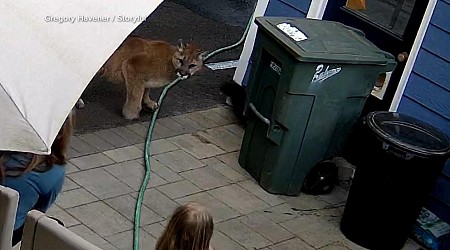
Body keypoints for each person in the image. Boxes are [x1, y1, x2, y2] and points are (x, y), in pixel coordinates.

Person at [0, 108, 76, 246]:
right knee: (54, 225)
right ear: (61, 133)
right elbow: (37, 212)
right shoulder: (52, 170)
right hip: (7, 234)